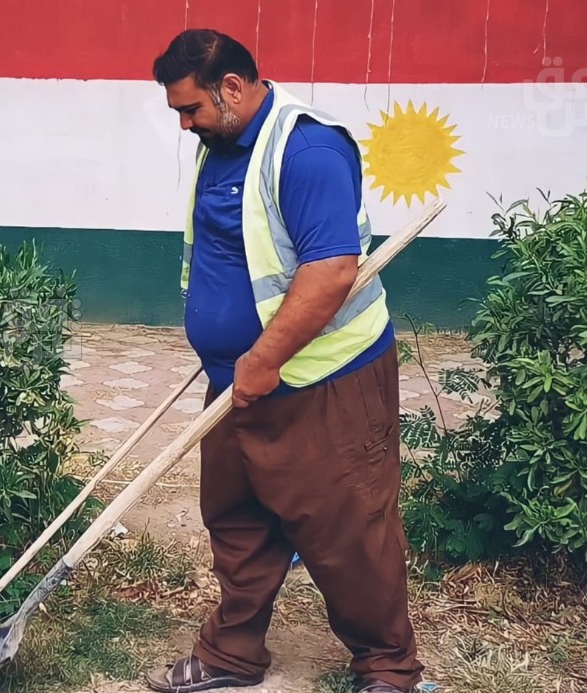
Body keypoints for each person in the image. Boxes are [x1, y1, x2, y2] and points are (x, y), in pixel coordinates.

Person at [141, 29, 426, 693]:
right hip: (236, 381)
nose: (185, 126)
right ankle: (232, 654)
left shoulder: (307, 150)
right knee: (236, 522)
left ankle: (388, 666)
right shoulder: (222, 145)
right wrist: (230, 356)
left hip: (321, 380)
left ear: (232, 88)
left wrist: (264, 358)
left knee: (349, 529)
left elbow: (330, 272)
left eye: (192, 110)